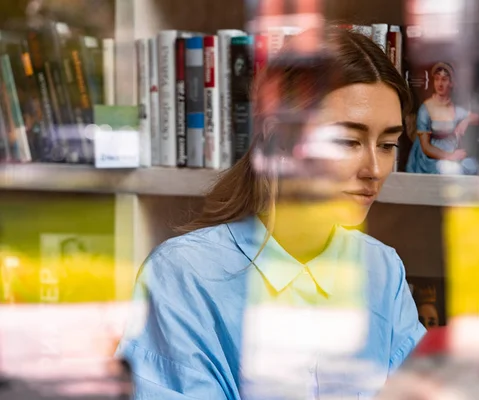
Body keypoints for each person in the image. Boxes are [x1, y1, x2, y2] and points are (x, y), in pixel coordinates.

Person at [117, 26, 426, 399]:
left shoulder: (383, 270)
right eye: (348, 141)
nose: (374, 169)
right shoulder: (183, 275)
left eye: (388, 144)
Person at [406, 62, 479, 175]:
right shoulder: (426, 108)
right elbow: (426, 147)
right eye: (437, 79)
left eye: (444, 79)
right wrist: (449, 156)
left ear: (451, 83)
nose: (440, 84)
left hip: (452, 153)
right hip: (431, 159)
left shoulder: (454, 108)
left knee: (473, 167)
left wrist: (466, 121)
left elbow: (477, 117)